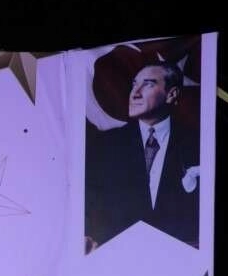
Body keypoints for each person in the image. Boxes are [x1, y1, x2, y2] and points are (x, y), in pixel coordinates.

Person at [84, 60, 201, 251]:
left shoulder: (197, 144)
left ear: (171, 94)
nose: (135, 93)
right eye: (134, 85)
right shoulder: (106, 145)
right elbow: (86, 197)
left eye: (148, 84)